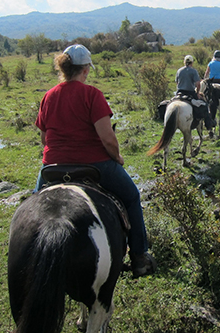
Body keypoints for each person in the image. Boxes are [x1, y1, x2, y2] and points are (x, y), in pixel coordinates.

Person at [34, 44, 156, 277]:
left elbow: (44, 138)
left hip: (52, 167)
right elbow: (107, 138)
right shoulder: (92, 95)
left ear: (64, 69)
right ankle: (139, 257)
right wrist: (117, 157)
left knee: (33, 207)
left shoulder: (48, 96)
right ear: (86, 70)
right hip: (94, 165)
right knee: (131, 197)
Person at [175, 55, 216, 129]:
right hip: (190, 93)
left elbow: (177, 83)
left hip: (179, 93)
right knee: (205, 105)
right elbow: (198, 84)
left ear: (184, 62)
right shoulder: (193, 71)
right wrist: (197, 94)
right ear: (192, 62)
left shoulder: (179, 70)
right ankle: (208, 124)